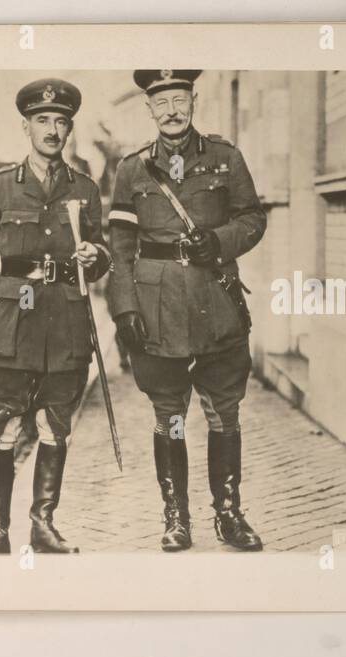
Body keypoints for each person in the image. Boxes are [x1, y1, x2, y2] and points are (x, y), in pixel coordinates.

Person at [107, 69, 267, 552]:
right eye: (162, 102)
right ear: (149, 109)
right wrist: (123, 307)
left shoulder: (225, 157)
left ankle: (229, 513)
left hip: (215, 303)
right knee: (169, 415)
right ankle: (176, 517)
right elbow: (119, 246)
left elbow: (253, 219)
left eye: (180, 99)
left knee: (224, 413)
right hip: (157, 312)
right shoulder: (131, 170)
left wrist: (219, 242)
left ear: (194, 100)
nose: (172, 110)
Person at [0, 78, 111, 554]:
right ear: (25, 126)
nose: (52, 129)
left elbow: (104, 253)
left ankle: (42, 525)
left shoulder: (85, 189)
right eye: (42, 120)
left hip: (64, 323)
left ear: (69, 130)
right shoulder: (0, 186)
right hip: (12, 324)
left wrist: (95, 256)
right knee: (3, 426)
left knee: (54, 424)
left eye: (60, 121)